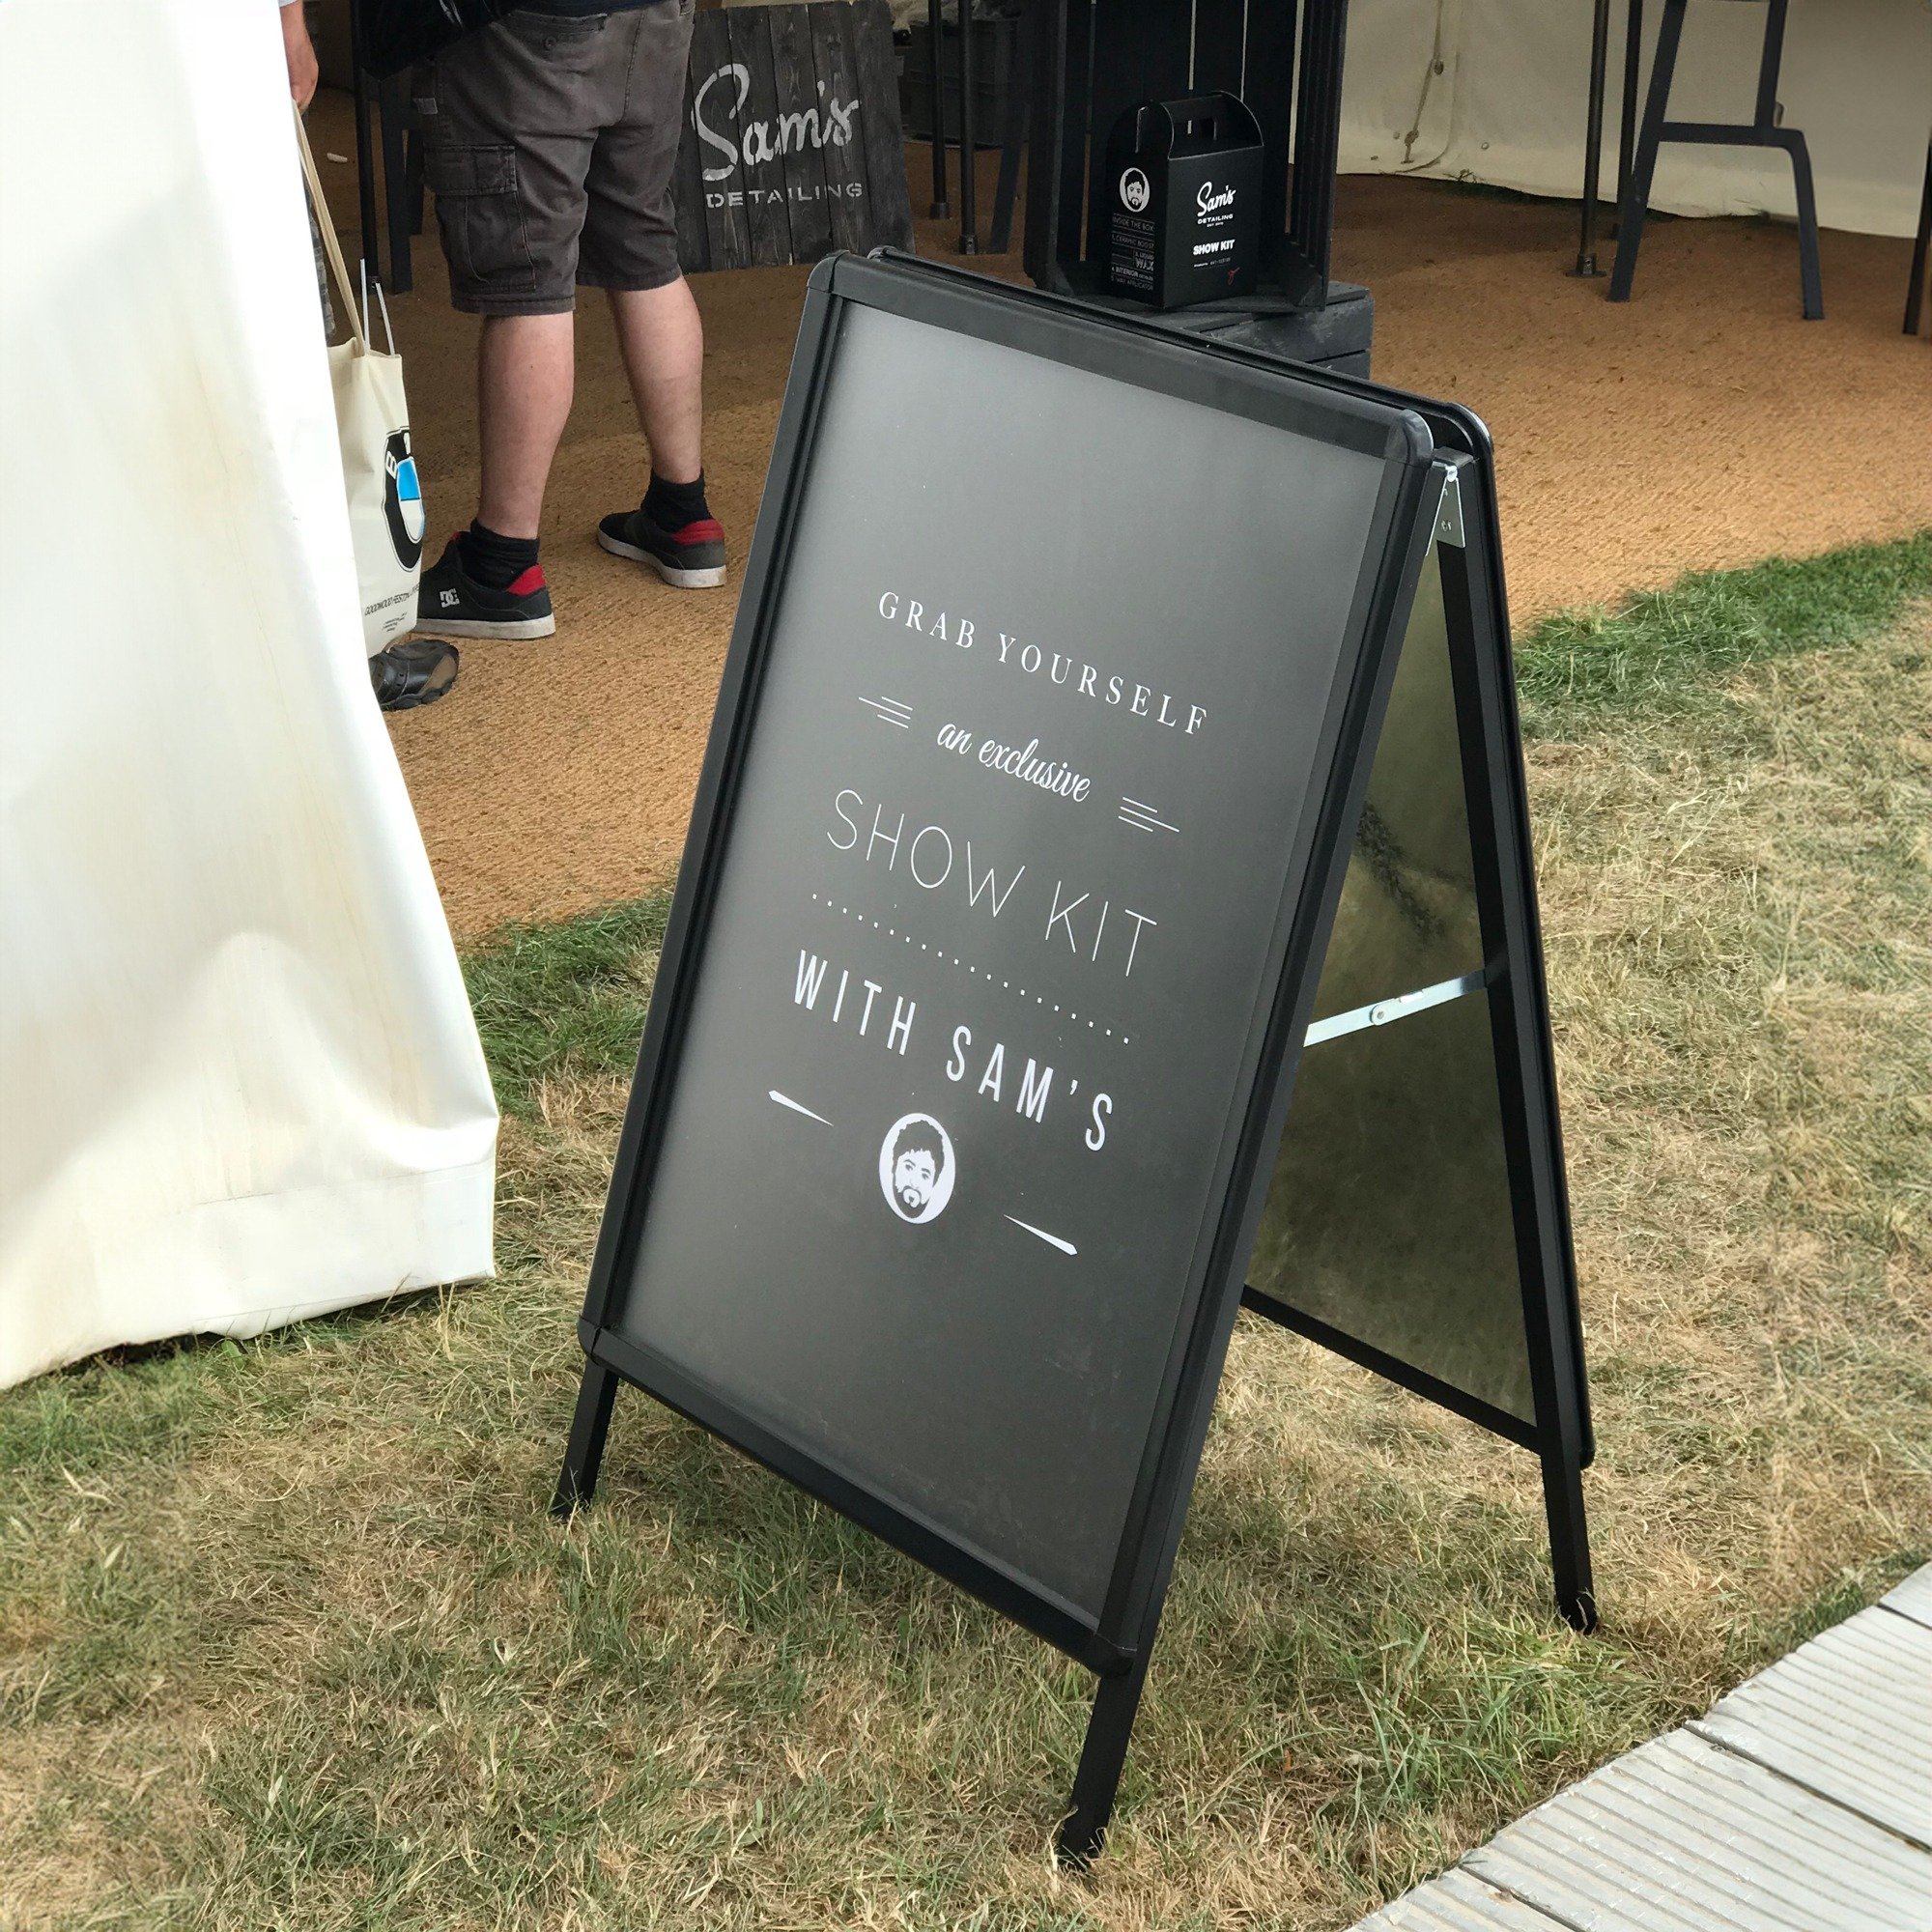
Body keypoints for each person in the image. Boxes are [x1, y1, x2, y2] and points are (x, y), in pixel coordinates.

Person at [410, 0, 723, 642]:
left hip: (531, 23)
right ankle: (683, 514)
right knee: (643, 236)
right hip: (656, 12)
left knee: (527, 266)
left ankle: (501, 567)